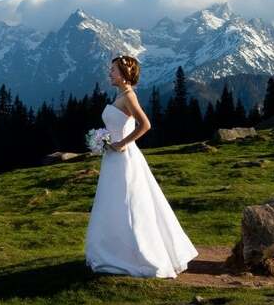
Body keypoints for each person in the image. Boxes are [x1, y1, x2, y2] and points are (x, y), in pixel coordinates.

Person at [84, 55, 198, 277]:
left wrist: (121, 143)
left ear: (125, 74)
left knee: (129, 204)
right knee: (114, 203)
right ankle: (116, 251)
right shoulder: (120, 95)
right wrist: (106, 140)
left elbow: (145, 124)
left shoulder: (128, 96)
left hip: (124, 158)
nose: (110, 73)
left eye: (114, 70)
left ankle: (135, 255)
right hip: (112, 159)